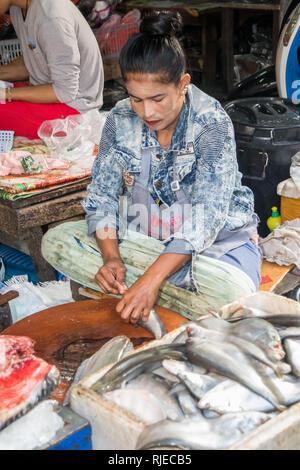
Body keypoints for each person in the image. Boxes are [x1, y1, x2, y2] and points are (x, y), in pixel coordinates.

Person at [42, 10, 262, 324]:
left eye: (158, 98)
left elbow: (208, 216)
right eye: (136, 99)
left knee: (235, 294)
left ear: (183, 84)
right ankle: (156, 289)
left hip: (211, 247)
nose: (147, 111)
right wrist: (111, 257)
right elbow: (101, 197)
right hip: (145, 237)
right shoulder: (120, 119)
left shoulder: (211, 122)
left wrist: (150, 280)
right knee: (57, 240)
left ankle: (152, 286)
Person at [0, 0, 104, 140]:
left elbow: (64, 92)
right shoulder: (18, 10)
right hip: (51, 96)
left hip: (74, 111)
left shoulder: (51, 17)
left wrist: (7, 94)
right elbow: (32, 61)